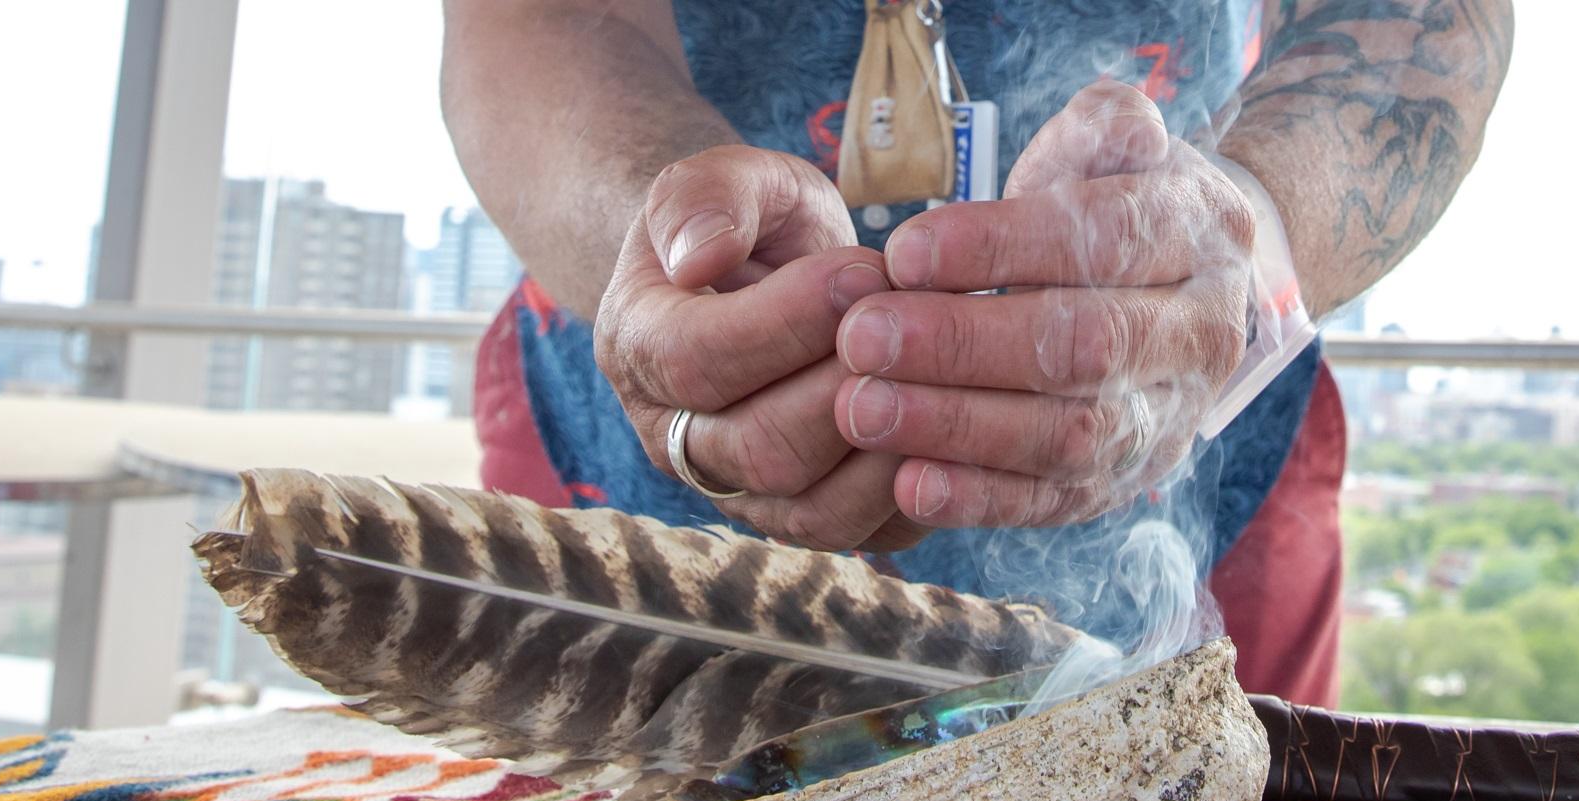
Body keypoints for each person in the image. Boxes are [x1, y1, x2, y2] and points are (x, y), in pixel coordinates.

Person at [444, 0, 1513, 707]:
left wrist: (1246, 236)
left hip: (1205, 434)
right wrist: (660, 239)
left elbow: (1411, 22)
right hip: (624, 460)